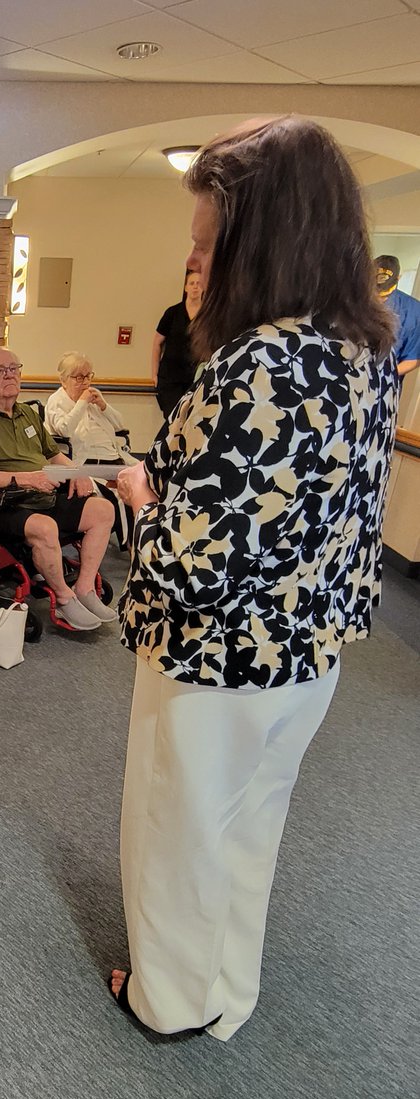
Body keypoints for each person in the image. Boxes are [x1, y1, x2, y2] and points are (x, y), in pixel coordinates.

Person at [109, 116, 398, 1041]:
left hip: (217, 660)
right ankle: (228, 986)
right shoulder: (364, 351)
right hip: (309, 649)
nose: (197, 263)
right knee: (247, 833)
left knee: (176, 835)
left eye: (205, 244)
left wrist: (139, 500)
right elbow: (349, 512)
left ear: (259, 240)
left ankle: (167, 1002)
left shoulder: (256, 364)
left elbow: (192, 563)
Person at [0, 347, 117, 632]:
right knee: (44, 528)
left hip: (43, 495)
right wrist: (27, 478)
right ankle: (64, 599)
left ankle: (84, 588)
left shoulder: (28, 413)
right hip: (4, 506)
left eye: (13, 369)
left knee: (103, 510)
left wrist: (76, 472)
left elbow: (54, 455)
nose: (9, 375)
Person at [44, 351, 135, 547]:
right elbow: (64, 430)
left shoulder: (94, 400)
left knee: (148, 481)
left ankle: (147, 540)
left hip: (115, 460)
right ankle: (131, 547)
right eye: (78, 377)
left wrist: (103, 405)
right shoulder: (57, 401)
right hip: (86, 465)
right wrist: (81, 403)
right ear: (63, 380)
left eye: (88, 376)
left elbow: (121, 426)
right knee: (122, 494)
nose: (85, 382)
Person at [151, 269, 202, 419]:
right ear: (186, 287)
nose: (195, 287)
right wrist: (154, 374)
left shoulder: (208, 315)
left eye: (199, 284)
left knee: (192, 422)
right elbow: (156, 344)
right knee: (173, 420)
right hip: (170, 378)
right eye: (192, 283)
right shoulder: (172, 313)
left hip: (196, 378)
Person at [374, 255, 420, 378]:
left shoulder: (414, 311)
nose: (378, 299)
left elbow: (414, 357)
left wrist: (385, 377)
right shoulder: (350, 301)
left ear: (398, 279)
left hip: (383, 383)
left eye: (384, 295)